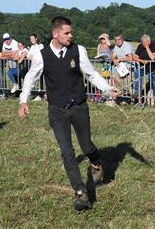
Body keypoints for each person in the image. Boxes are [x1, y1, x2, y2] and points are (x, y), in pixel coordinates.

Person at [18, 17, 119, 211]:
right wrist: (23, 100)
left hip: (79, 107)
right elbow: (31, 78)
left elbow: (91, 74)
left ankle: (96, 161)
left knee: (87, 146)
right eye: (67, 33)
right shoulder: (41, 54)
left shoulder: (78, 50)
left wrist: (107, 88)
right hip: (57, 110)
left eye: (71, 32)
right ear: (55, 34)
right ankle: (80, 192)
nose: (71, 35)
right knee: (67, 151)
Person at [132, 33, 155, 107]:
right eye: (142, 42)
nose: (143, 44)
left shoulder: (154, 45)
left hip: (154, 69)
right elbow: (134, 57)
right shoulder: (140, 46)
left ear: (148, 41)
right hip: (144, 68)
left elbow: (152, 57)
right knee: (137, 73)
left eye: (144, 42)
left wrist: (147, 47)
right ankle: (138, 92)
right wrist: (142, 61)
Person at [27, 34, 44, 101]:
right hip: (33, 66)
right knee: (32, 79)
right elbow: (28, 56)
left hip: (40, 65)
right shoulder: (32, 47)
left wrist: (33, 56)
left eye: (33, 39)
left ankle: (40, 94)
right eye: (31, 39)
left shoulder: (40, 46)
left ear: (36, 39)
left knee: (39, 80)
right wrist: (32, 57)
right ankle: (31, 93)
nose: (32, 40)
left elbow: (40, 55)